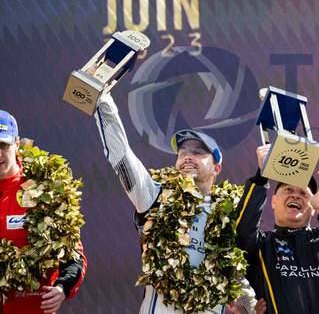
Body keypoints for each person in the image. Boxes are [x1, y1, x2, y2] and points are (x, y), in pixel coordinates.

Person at [93, 94, 259, 314]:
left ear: (216, 168)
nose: (187, 157)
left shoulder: (229, 215)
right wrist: (103, 100)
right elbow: (121, 156)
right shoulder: (156, 196)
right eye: (182, 153)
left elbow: (236, 274)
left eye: (198, 152)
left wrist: (248, 306)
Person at [234, 145, 319, 314]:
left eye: (304, 193)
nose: (295, 195)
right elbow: (243, 230)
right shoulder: (261, 244)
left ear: (312, 207)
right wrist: (261, 177)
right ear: (273, 201)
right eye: (288, 189)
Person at [0, 109, 86, 314]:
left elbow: (73, 256)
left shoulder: (43, 192)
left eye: (3, 145)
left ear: (17, 144)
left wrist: (62, 287)